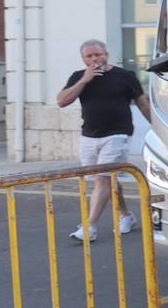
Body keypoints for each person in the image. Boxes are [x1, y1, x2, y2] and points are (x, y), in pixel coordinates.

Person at [56, 40, 150, 241]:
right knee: (107, 179)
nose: (94, 59)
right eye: (89, 56)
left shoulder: (125, 76)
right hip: (89, 135)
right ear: (83, 59)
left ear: (106, 54)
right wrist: (83, 81)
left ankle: (89, 227)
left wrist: (159, 128)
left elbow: (143, 104)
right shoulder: (78, 77)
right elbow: (62, 101)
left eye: (97, 54)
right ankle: (126, 215)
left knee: (103, 178)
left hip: (118, 134)